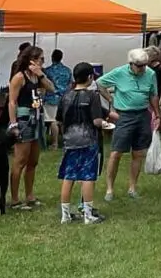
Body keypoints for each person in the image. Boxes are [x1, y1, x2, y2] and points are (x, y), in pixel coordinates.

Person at [97, 47, 159, 203]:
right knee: (116, 152)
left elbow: (153, 94)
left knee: (138, 153)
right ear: (131, 64)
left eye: (144, 65)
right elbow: (100, 82)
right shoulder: (120, 72)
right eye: (139, 66)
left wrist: (157, 113)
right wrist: (111, 99)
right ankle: (110, 188)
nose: (142, 68)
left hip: (143, 114)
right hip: (125, 115)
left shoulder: (150, 74)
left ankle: (132, 187)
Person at [56, 62, 106, 225]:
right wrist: (105, 124)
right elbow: (97, 121)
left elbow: (59, 119)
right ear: (90, 77)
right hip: (88, 139)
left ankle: (65, 215)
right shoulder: (93, 96)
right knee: (87, 176)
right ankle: (88, 214)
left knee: (68, 176)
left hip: (69, 140)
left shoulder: (65, 96)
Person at [8, 46, 55, 210]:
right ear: (31, 60)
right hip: (24, 120)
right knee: (20, 160)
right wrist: (13, 124)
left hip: (37, 118)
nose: (43, 61)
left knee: (33, 161)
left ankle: (30, 195)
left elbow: (52, 88)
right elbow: (12, 101)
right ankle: (14, 199)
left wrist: (40, 74)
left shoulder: (38, 77)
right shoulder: (19, 78)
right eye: (41, 59)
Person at [43, 49, 73, 149]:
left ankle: (55, 144)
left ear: (52, 57)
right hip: (65, 98)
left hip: (51, 98)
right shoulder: (67, 70)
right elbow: (71, 84)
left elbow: (44, 84)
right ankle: (66, 142)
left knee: (53, 121)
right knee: (64, 121)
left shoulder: (47, 71)